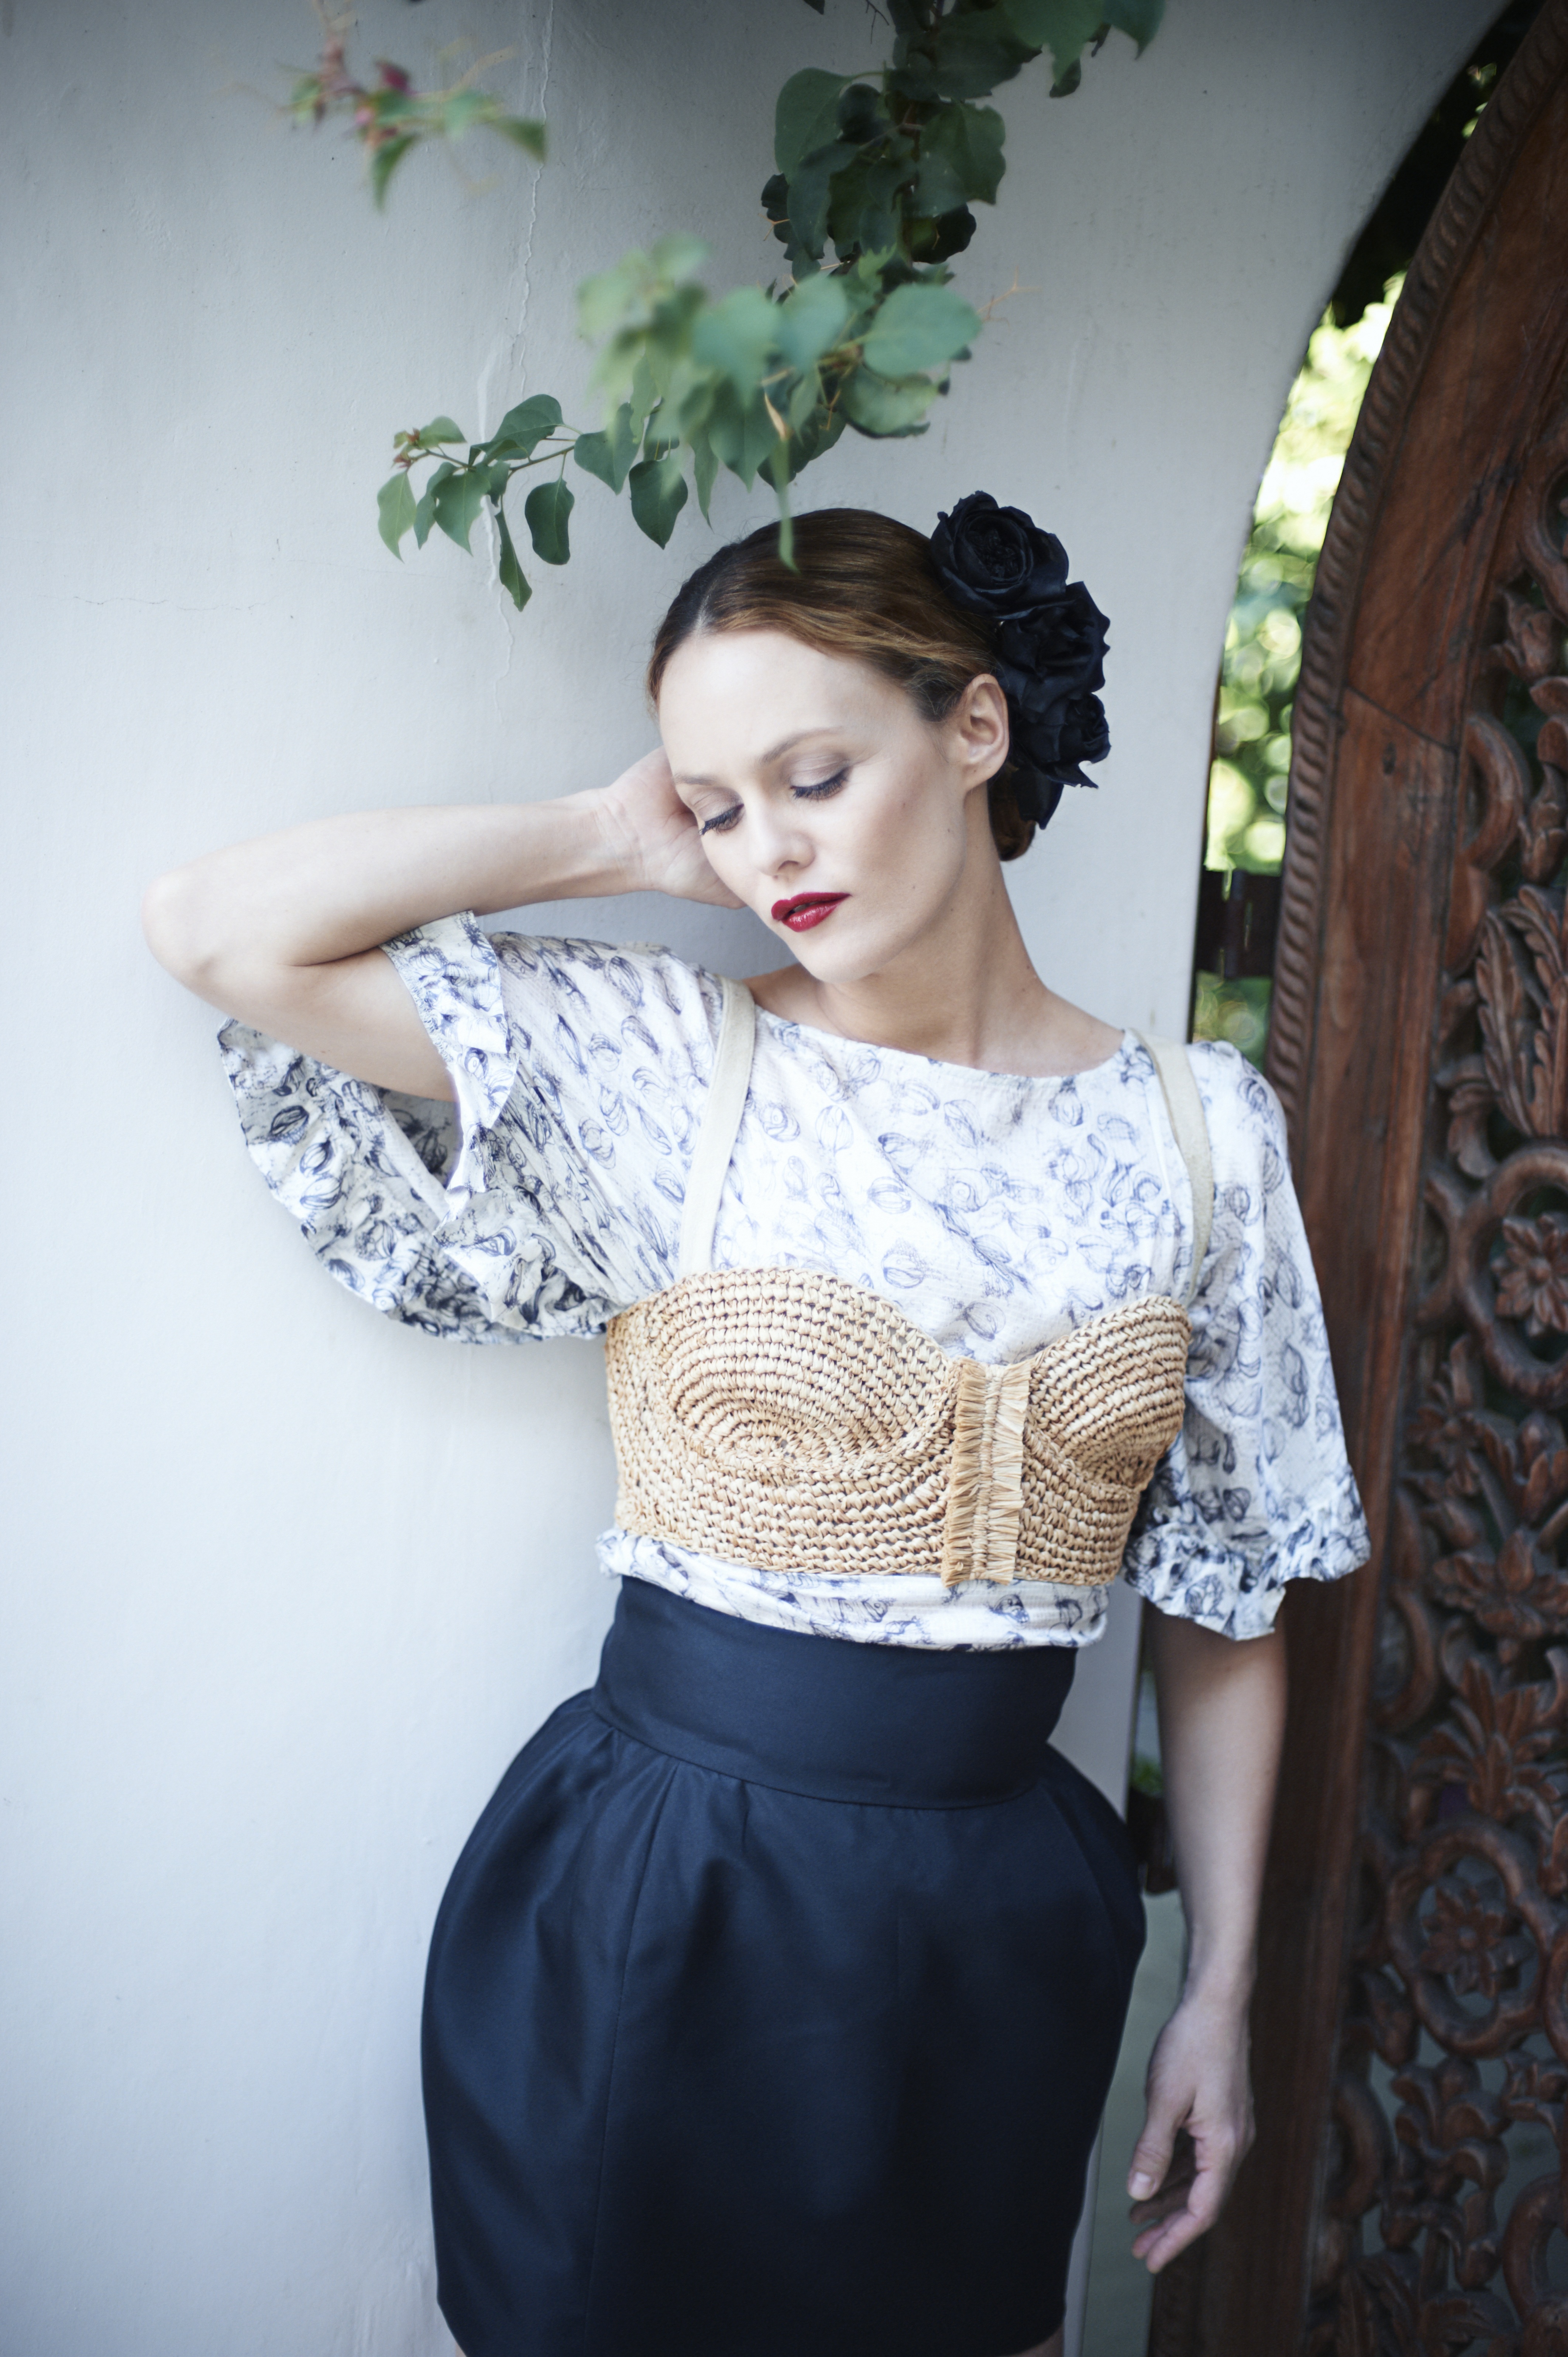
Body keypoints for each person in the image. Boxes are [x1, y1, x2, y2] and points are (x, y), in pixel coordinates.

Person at [142, 498, 1368, 2357]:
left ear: (975, 726)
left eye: (813, 777)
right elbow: (217, 930)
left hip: (1006, 1932)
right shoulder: (672, 1065)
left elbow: (1225, 1604)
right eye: (719, 807)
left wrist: (1220, 1992)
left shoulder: (1202, 1137)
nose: (767, 851)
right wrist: (610, 835)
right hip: (671, 1905)